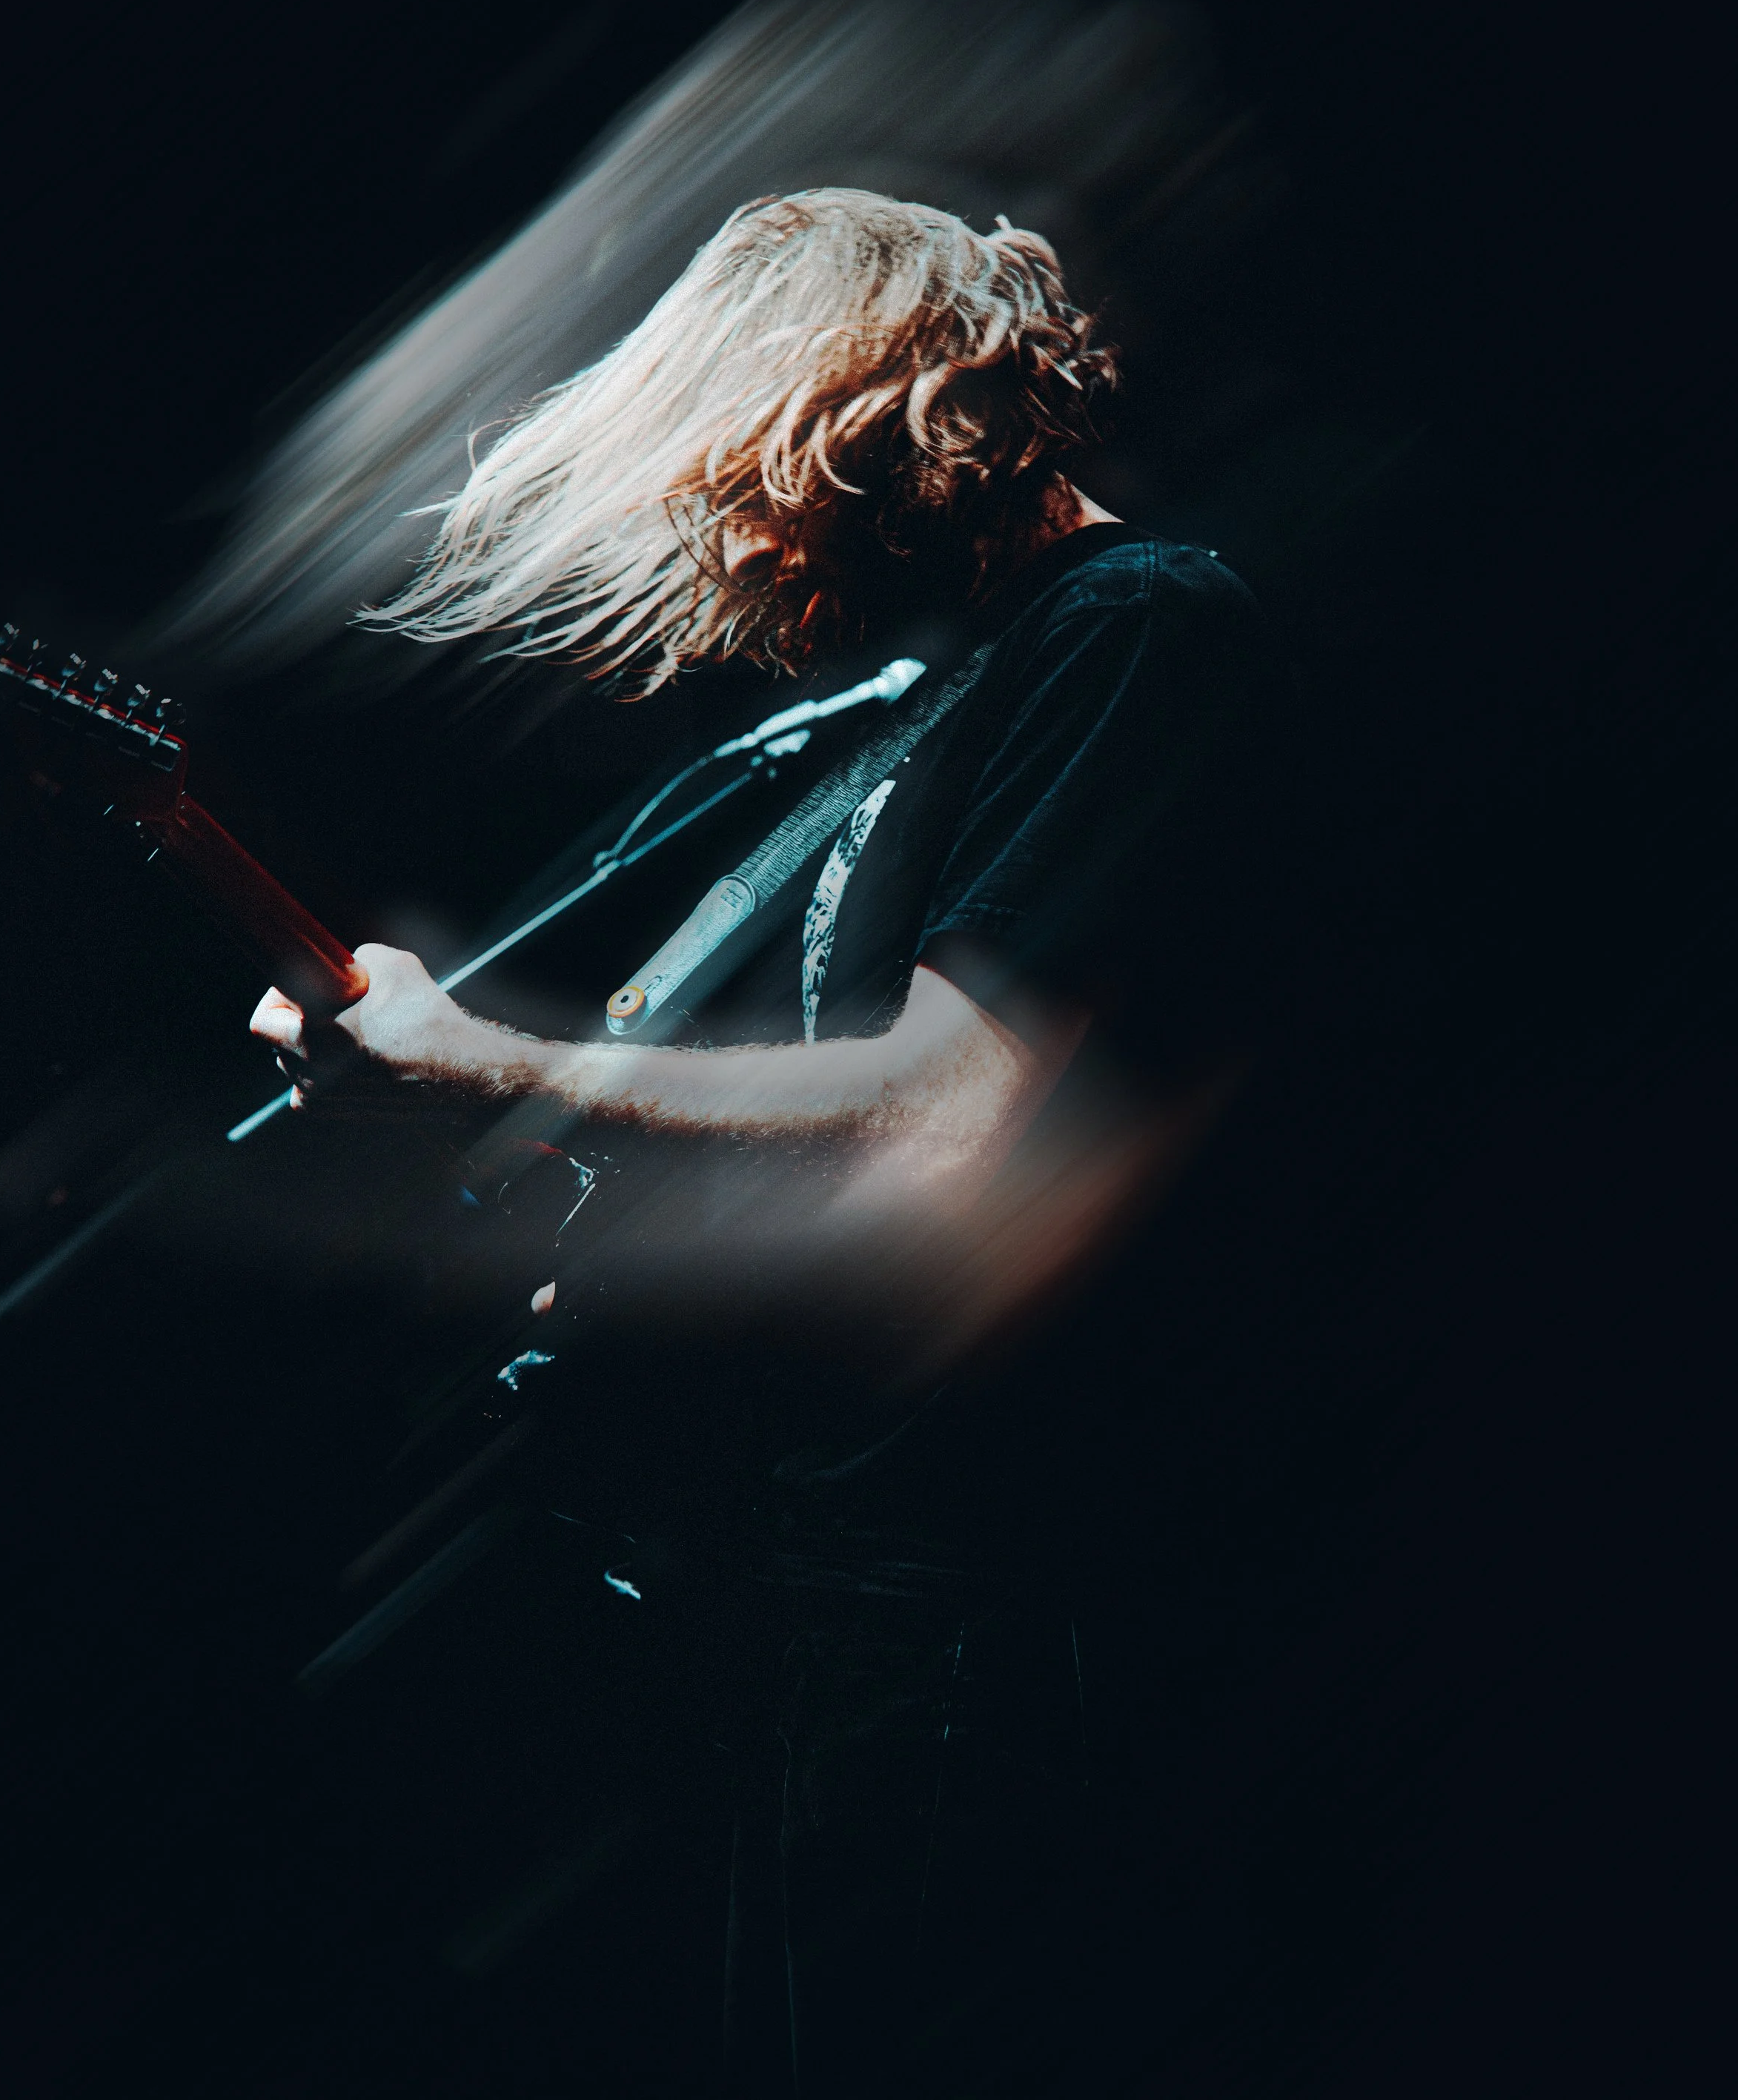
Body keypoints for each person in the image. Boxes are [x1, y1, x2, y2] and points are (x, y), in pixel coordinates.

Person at [250, 188, 1298, 2092]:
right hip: (821, 1583)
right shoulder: (901, 704)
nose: (729, 524)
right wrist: (429, 1075)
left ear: (886, 405)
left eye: (752, 459)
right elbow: (817, 1154)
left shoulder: (1136, 623)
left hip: (994, 1596)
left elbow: (946, 1100)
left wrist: (500, 1064)